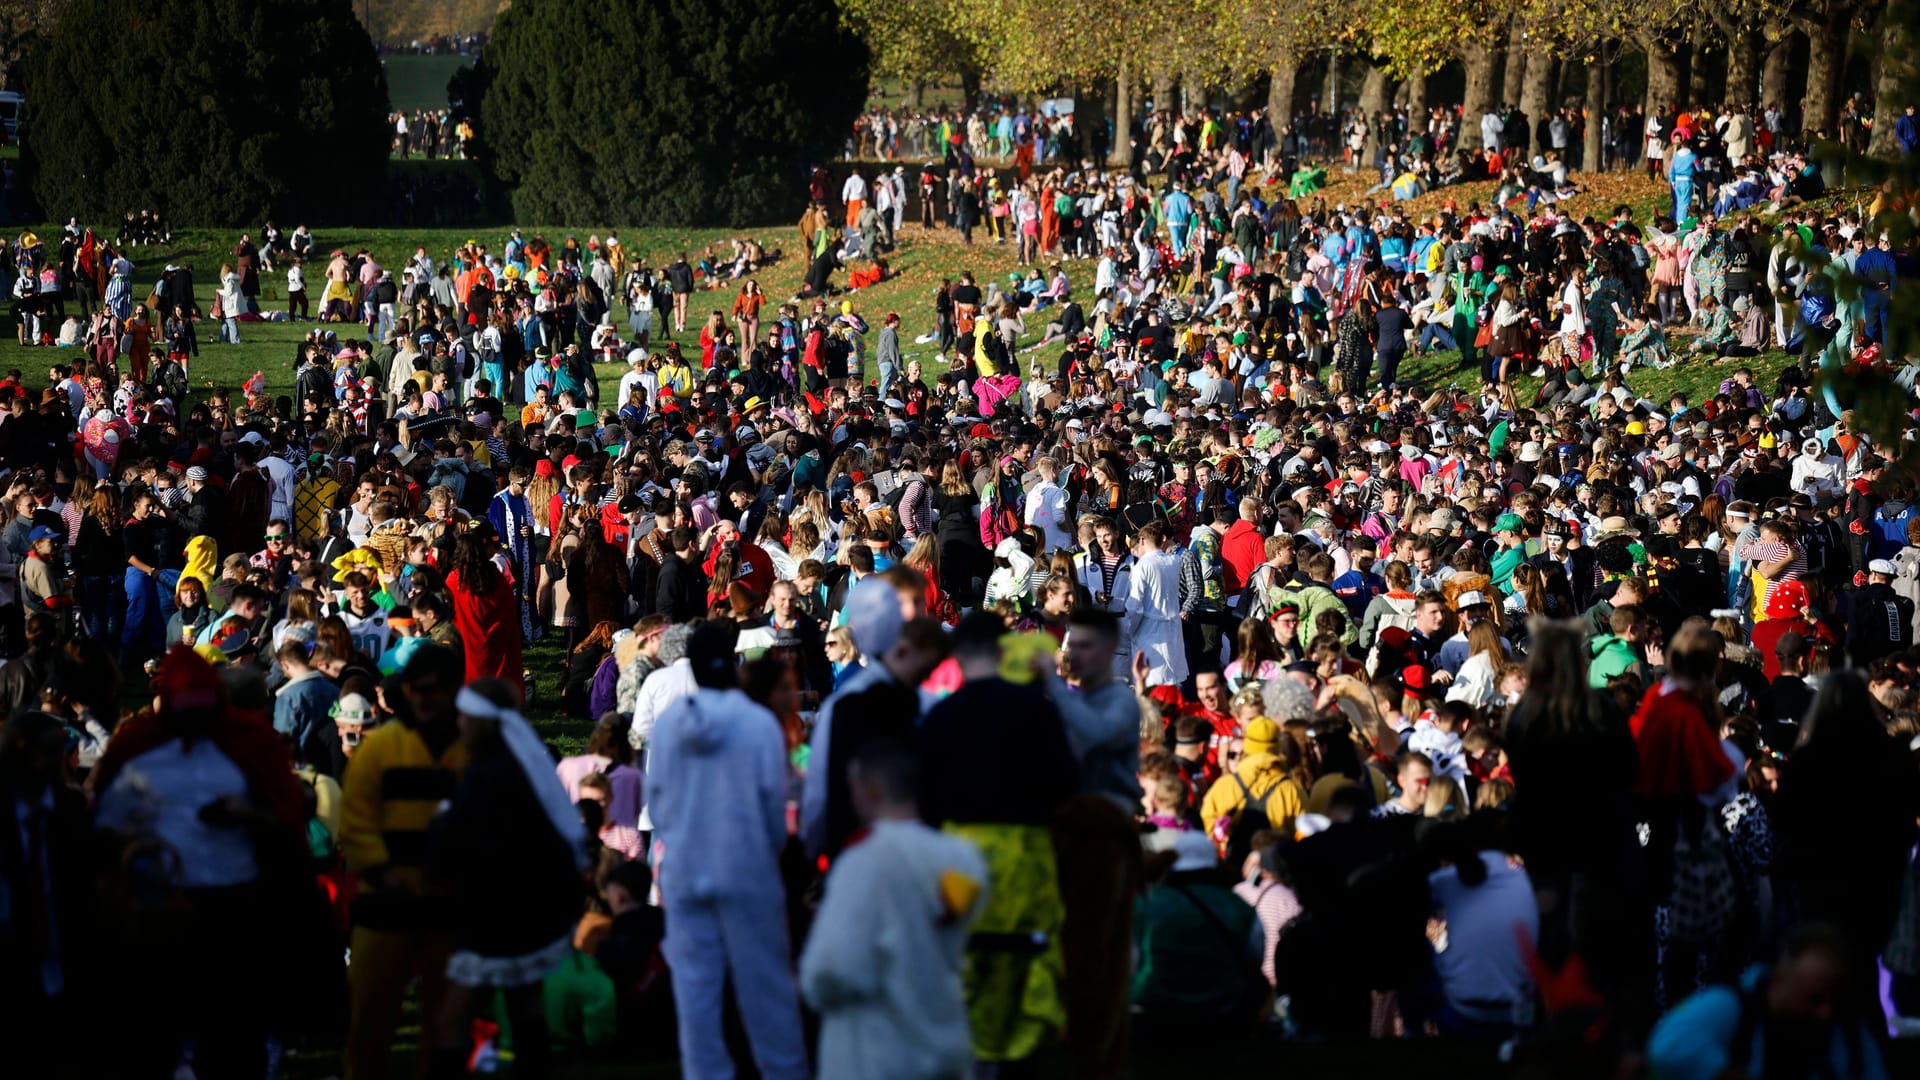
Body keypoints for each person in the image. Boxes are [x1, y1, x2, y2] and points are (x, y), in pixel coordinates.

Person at [646, 623, 808, 1080]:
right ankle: (783, 1071)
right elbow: (774, 806)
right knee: (766, 989)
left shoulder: (675, 722)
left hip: (686, 867)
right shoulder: (756, 723)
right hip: (746, 867)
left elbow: (658, 803)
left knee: (696, 993)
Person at [425, 677, 587, 1080]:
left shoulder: (487, 775)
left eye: (465, 716)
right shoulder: (524, 767)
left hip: (493, 915)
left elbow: (459, 841)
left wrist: (441, 825)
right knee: (525, 1005)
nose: (459, 722)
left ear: (481, 722)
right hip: (531, 912)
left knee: (451, 1017)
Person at [798, 739, 989, 1080]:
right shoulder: (963, 860)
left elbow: (830, 968)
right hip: (944, 1038)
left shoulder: (864, 863)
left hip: (875, 1053)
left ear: (870, 789)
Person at [1647, 925, 1890, 1080]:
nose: (1825, 1012)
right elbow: (1667, 1045)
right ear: (1778, 979)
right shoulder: (1731, 1006)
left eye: (1835, 1000)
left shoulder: (1848, 1033)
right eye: (1813, 999)